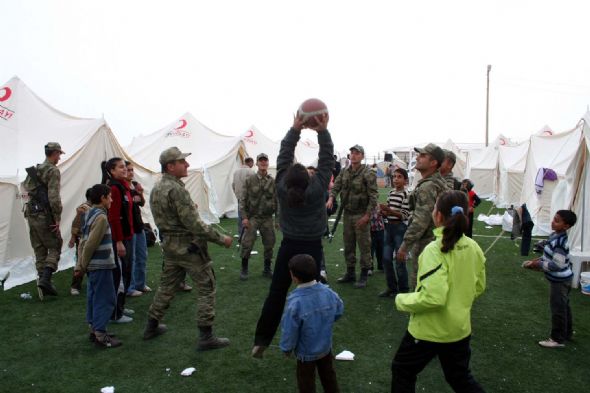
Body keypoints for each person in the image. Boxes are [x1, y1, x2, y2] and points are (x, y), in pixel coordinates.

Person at [252, 111, 333, 358]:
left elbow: (284, 155)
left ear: (286, 180)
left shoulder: (281, 189)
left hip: (288, 248)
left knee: (276, 294)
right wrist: (322, 130)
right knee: (315, 297)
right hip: (312, 249)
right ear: (309, 180)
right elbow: (327, 158)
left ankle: (261, 341)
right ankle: (316, 344)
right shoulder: (318, 189)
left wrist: (295, 128)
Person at [392, 190, 486, 392]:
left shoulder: (434, 250)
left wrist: (401, 300)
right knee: (459, 377)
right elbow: (478, 286)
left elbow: (433, 298)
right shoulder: (473, 247)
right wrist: (458, 303)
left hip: (428, 330)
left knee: (402, 370)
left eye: (434, 207)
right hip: (459, 329)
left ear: (439, 216)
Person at [143, 146, 233, 351]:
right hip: (188, 247)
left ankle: (151, 325)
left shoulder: (157, 188)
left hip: (170, 246)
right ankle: (206, 336)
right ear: (170, 166)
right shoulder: (176, 190)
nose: (187, 165)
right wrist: (221, 239)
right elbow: (193, 224)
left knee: (166, 287)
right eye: (182, 162)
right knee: (206, 288)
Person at [280, 254, 343, 393]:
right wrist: (327, 320)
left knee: (306, 382)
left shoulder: (295, 302)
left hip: (305, 353)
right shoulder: (328, 292)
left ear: (294, 277)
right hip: (325, 348)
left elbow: (289, 330)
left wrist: (286, 348)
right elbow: (339, 308)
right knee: (329, 377)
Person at [522, 210, 577, 348]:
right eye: (554, 218)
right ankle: (567, 333)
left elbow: (557, 265)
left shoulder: (559, 242)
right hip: (563, 279)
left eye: (557, 220)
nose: (553, 221)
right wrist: (537, 260)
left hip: (560, 282)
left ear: (566, 226)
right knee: (564, 306)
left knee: (558, 309)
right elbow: (548, 256)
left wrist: (538, 265)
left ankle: (557, 339)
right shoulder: (554, 235)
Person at [396, 144, 448, 290]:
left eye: (423, 156)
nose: (418, 158)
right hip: (437, 241)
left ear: (433, 163)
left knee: (420, 285)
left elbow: (420, 220)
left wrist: (405, 246)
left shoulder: (428, 186)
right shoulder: (437, 182)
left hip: (427, 243)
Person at [76, 184, 121, 348]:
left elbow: (82, 241)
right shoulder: (101, 217)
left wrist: (80, 264)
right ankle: (101, 335)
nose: (112, 199)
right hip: (100, 265)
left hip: (93, 266)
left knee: (94, 297)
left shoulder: (89, 213)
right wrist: (83, 266)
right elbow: (90, 244)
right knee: (106, 298)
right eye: (109, 196)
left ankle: (94, 329)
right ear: (102, 198)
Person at [327, 145, 378, 288]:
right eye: (352, 153)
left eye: (357, 153)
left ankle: (363, 274)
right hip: (348, 214)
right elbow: (336, 187)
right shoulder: (344, 172)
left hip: (361, 214)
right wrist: (331, 198)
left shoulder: (368, 173)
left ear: (362, 156)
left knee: (364, 246)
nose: (353, 155)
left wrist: (367, 216)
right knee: (348, 244)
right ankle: (350, 272)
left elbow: (374, 196)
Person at [22, 142, 65, 299]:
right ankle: (46, 279)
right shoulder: (53, 170)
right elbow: (54, 197)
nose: (60, 157)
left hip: (31, 213)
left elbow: (26, 186)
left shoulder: (36, 169)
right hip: (44, 214)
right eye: (59, 154)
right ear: (54, 153)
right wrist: (57, 217)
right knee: (55, 245)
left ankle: (42, 286)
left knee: (39, 248)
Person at [101, 157, 135, 323]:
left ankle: (120, 305)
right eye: (121, 167)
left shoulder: (124, 186)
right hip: (119, 239)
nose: (125, 170)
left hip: (128, 236)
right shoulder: (114, 188)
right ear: (112, 171)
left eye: (125, 167)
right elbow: (114, 217)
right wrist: (119, 241)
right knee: (120, 275)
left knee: (127, 272)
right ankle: (116, 313)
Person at [239, 153, 277, 280]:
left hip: (267, 218)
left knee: (269, 243)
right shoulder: (249, 180)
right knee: (247, 243)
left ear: (268, 163)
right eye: (261, 161)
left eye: (265, 161)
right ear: (256, 163)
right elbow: (242, 200)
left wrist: (277, 219)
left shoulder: (272, 181)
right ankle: (244, 268)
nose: (263, 163)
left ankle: (267, 269)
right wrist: (244, 217)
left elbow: (277, 201)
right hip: (253, 217)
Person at [378, 168, 410, 297]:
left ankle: (403, 289)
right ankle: (391, 287)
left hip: (399, 229)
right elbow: (389, 210)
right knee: (386, 258)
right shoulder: (391, 192)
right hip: (389, 227)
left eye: (399, 177)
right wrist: (383, 212)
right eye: (394, 177)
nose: (396, 179)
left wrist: (389, 211)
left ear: (405, 180)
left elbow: (405, 215)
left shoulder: (406, 195)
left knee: (400, 259)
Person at [125, 161, 151, 297]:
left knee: (142, 256)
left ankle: (140, 283)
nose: (131, 172)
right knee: (132, 258)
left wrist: (140, 193)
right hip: (129, 227)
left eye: (131, 170)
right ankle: (130, 287)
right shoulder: (122, 187)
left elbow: (142, 203)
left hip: (138, 225)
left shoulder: (134, 185)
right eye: (128, 170)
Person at [68, 188, 92, 296]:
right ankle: (75, 286)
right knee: (80, 263)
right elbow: (76, 224)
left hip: (91, 239)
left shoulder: (93, 208)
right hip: (83, 240)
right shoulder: (84, 209)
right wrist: (73, 239)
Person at [232, 157, 254, 235]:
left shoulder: (236, 172)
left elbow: (233, 185)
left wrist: (237, 194)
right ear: (250, 162)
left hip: (239, 197)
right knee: (249, 215)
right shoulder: (251, 171)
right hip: (248, 197)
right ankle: (248, 232)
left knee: (240, 214)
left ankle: (241, 232)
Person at [369, 205, 384, 274]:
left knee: (380, 249)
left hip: (380, 230)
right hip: (370, 230)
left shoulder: (378, 206)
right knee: (370, 250)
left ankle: (381, 265)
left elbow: (383, 217)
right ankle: (370, 267)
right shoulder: (367, 206)